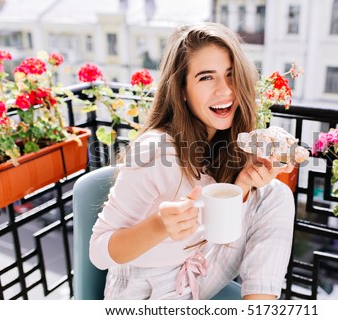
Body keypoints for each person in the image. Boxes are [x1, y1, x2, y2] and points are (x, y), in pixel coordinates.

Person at [89, 22, 295, 300]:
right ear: (182, 90)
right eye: (206, 78)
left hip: (195, 269)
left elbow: (217, 224)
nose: (225, 90)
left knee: (274, 194)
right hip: (146, 292)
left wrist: (243, 183)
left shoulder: (224, 141)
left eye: (231, 74)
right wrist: (159, 225)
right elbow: (98, 251)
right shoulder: (155, 151)